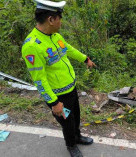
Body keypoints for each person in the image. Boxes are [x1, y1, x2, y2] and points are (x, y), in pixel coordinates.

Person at [21, 0, 95, 157]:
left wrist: (85, 59)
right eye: (59, 18)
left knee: (76, 116)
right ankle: (71, 145)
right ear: (51, 19)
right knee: (67, 122)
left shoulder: (54, 36)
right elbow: (39, 80)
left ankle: (77, 136)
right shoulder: (32, 46)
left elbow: (68, 49)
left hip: (71, 87)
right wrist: (54, 103)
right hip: (58, 95)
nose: (61, 21)